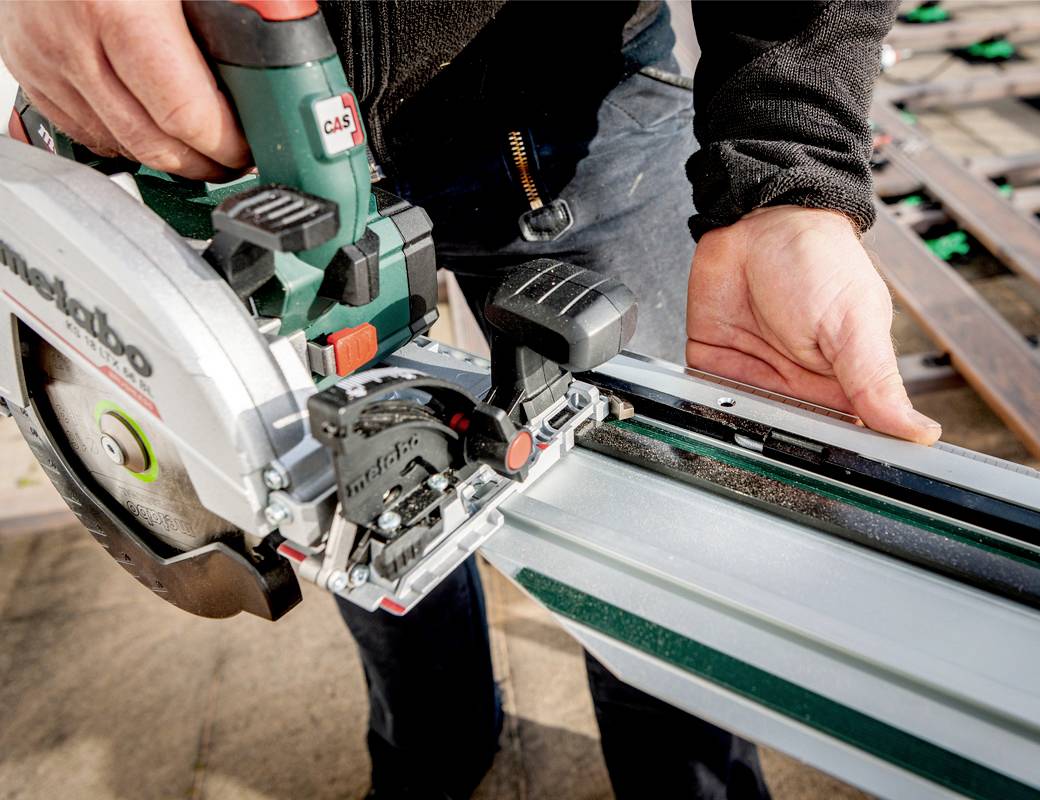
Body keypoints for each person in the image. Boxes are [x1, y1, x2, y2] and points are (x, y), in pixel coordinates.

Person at [0, 2, 940, 797]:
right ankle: (431, 750)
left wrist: (789, 173)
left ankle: (684, 780)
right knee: (356, 503)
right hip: (230, 128)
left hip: (560, 110)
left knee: (652, 528)